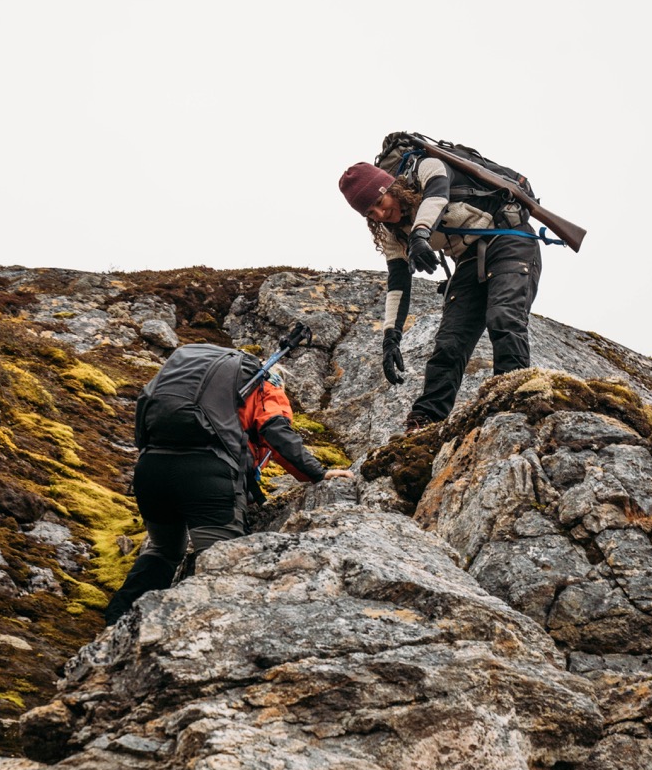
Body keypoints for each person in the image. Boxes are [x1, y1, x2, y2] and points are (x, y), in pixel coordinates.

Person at [103, 349, 352, 625]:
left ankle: (117, 622)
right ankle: (197, 636)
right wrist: (318, 473)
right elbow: (274, 431)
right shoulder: (264, 381)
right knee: (219, 564)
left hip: (151, 470)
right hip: (207, 476)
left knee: (164, 550)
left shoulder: (181, 385)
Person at [338, 154, 541, 431]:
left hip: (509, 239)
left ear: (391, 189)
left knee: (503, 317)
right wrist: (390, 337)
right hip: (469, 260)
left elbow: (436, 196)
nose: (380, 215)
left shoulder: (427, 166)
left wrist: (420, 234)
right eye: (370, 214)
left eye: (379, 203)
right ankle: (425, 420)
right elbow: (398, 284)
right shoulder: (392, 234)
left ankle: (514, 398)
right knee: (449, 342)